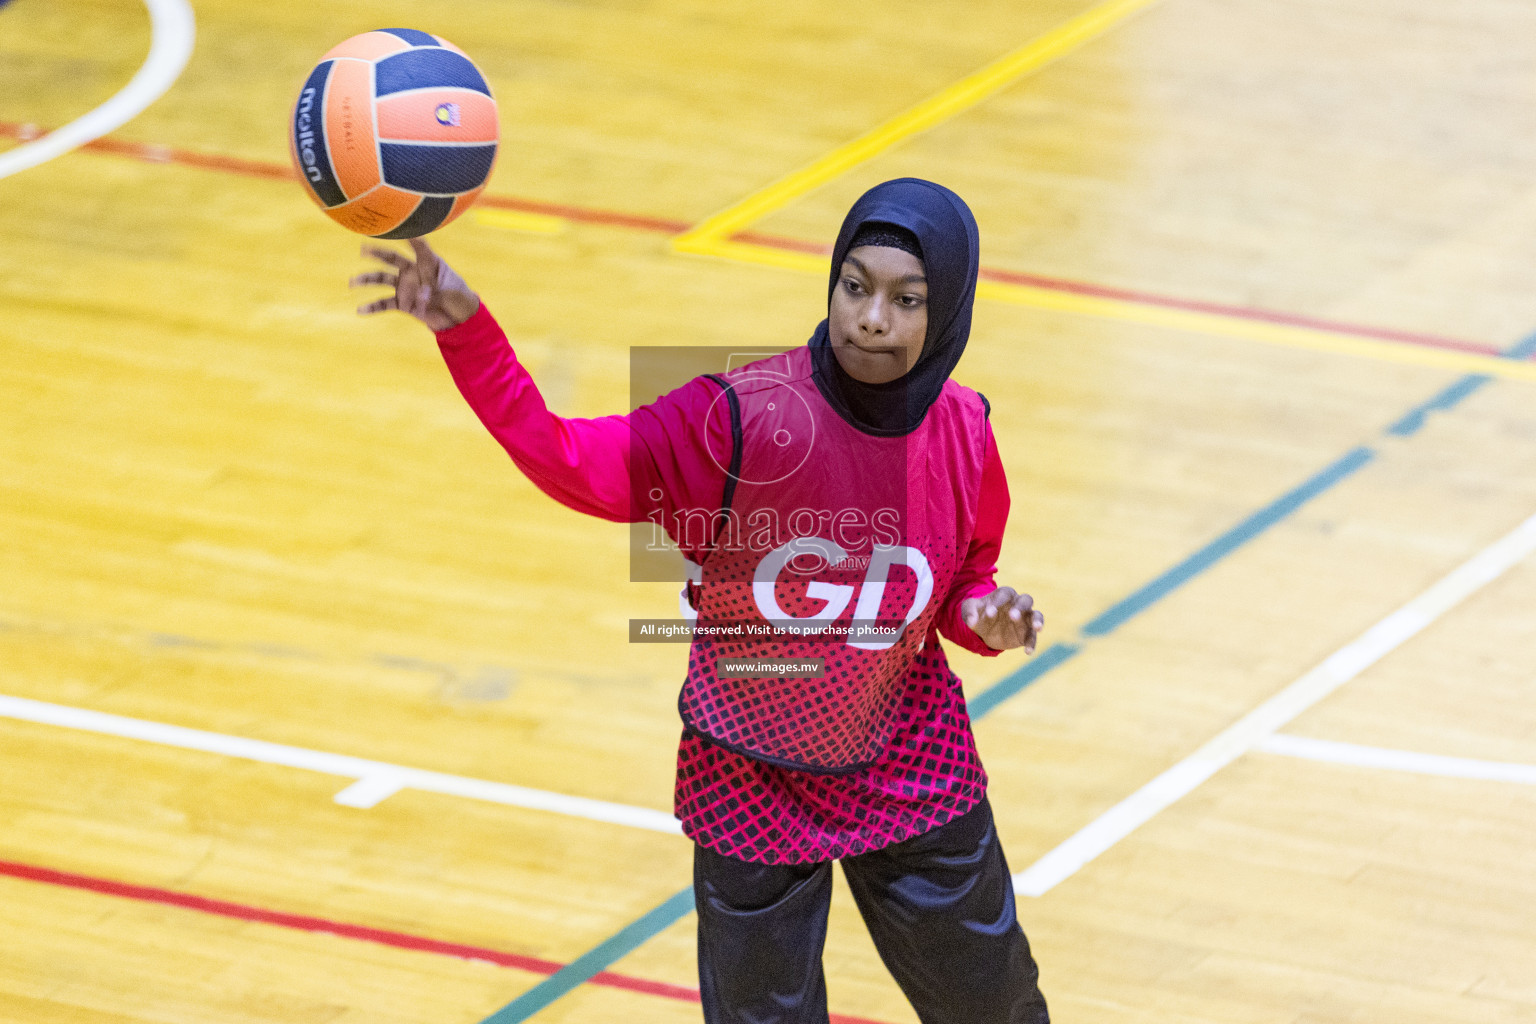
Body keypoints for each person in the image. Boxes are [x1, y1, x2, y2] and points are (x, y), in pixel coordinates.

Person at [351, 177, 1051, 1024]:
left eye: (908, 300)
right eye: (855, 286)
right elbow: (570, 459)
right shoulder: (737, 420)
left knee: (999, 1009)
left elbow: (959, 584)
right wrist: (467, 333)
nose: (872, 318)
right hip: (750, 770)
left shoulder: (965, 429)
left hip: (905, 755)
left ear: (947, 314)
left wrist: (984, 617)